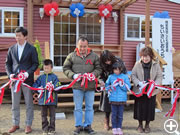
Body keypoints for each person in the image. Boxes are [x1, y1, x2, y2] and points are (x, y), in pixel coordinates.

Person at [63, 36, 102, 135]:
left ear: (87, 46)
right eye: (80, 46)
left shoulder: (94, 56)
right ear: (77, 45)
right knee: (78, 107)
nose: (82, 49)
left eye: (84, 46)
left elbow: (99, 68)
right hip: (77, 86)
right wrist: (73, 75)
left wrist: (93, 74)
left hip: (90, 86)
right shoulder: (71, 56)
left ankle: (88, 125)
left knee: (89, 107)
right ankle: (78, 126)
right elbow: (65, 68)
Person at [5, 27, 39, 134]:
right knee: (15, 103)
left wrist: (27, 73)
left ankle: (28, 124)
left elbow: (35, 64)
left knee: (29, 103)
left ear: (25, 36)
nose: (17, 38)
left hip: (27, 80)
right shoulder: (12, 49)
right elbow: (7, 64)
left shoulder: (31, 49)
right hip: (15, 80)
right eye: (16, 35)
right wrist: (10, 74)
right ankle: (15, 124)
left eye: (19, 35)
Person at [131, 46, 162, 133]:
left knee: (149, 108)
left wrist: (155, 84)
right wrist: (138, 83)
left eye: (147, 56)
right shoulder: (137, 64)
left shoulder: (156, 64)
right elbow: (133, 75)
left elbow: (159, 76)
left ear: (151, 56)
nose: (145, 58)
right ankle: (140, 125)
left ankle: (147, 125)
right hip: (140, 90)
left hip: (151, 91)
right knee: (139, 108)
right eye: (143, 56)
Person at [99, 50, 127, 130]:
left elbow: (124, 72)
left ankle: (117, 123)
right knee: (107, 104)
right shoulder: (101, 63)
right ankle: (106, 121)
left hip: (118, 86)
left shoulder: (118, 60)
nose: (108, 62)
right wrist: (101, 82)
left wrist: (123, 80)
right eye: (106, 61)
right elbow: (100, 75)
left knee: (118, 105)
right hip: (107, 85)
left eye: (109, 60)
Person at [33, 59, 60, 135]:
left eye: (48, 68)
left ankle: (52, 129)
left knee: (52, 115)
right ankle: (45, 129)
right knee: (43, 115)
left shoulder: (55, 77)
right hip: (42, 100)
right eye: (45, 68)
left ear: (51, 68)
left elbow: (58, 85)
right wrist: (38, 89)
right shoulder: (41, 77)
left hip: (52, 100)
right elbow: (35, 85)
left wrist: (53, 87)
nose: (46, 70)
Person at [105, 62, 131, 135]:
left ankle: (119, 127)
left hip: (122, 99)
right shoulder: (110, 77)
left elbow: (127, 87)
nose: (116, 71)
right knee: (114, 114)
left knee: (120, 115)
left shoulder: (125, 77)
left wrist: (122, 85)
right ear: (113, 70)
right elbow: (107, 85)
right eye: (115, 70)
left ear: (121, 69)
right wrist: (108, 89)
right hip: (113, 99)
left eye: (118, 70)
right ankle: (114, 127)